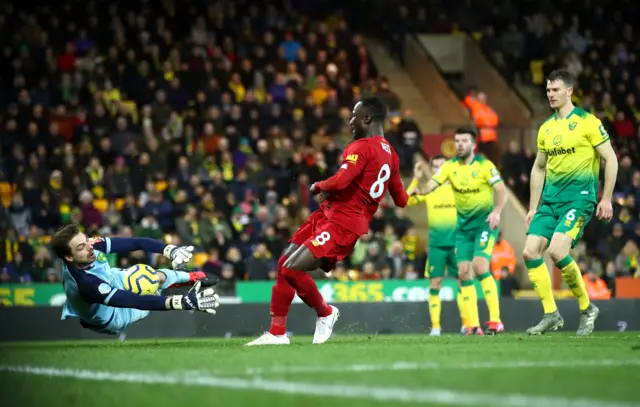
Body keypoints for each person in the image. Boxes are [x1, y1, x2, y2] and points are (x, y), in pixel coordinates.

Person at [246, 96, 408, 346]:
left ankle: (325, 312)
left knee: (291, 268)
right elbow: (401, 200)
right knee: (283, 264)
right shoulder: (392, 156)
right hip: (327, 215)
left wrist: (318, 185)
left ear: (367, 118)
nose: (350, 120)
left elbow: (340, 182)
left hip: (342, 224)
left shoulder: (362, 147)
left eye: (354, 114)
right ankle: (277, 333)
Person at [523, 69, 618, 335]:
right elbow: (538, 168)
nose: (550, 94)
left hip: (579, 199)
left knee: (557, 251)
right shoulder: (546, 128)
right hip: (550, 202)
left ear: (569, 91)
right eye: (548, 90)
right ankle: (551, 314)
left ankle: (588, 309)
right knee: (530, 252)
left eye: (555, 90)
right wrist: (532, 207)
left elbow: (610, 159)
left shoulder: (588, 123)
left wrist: (607, 198)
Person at [51, 224, 220, 335]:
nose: (90, 247)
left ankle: (192, 277)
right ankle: (181, 286)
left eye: (86, 241)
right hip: (111, 315)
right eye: (81, 247)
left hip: (110, 278)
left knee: (152, 278)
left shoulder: (91, 246)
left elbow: (135, 243)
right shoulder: (85, 284)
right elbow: (133, 301)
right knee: (152, 291)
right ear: (69, 257)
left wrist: (169, 250)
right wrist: (179, 302)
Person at [418, 127, 507, 336]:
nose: (459, 144)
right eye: (457, 141)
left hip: (484, 223)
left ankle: (495, 320)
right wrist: (416, 188)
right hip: (463, 229)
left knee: (479, 265)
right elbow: (431, 184)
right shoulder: (450, 167)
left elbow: (501, 189)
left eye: (464, 141)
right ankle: (473, 325)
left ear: (473, 144)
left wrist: (497, 211)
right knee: (464, 272)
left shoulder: (485, 166)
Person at [406, 156, 467, 336]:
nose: (439, 170)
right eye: (436, 167)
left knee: (462, 284)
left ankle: (467, 324)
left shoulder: (458, 189)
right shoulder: (428, 190)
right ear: (431, 170)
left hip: (457, 244)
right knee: (435, 283)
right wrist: (416, 178)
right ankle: (435, 327)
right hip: (436, 245)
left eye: (442, 167)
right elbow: (408, 200)